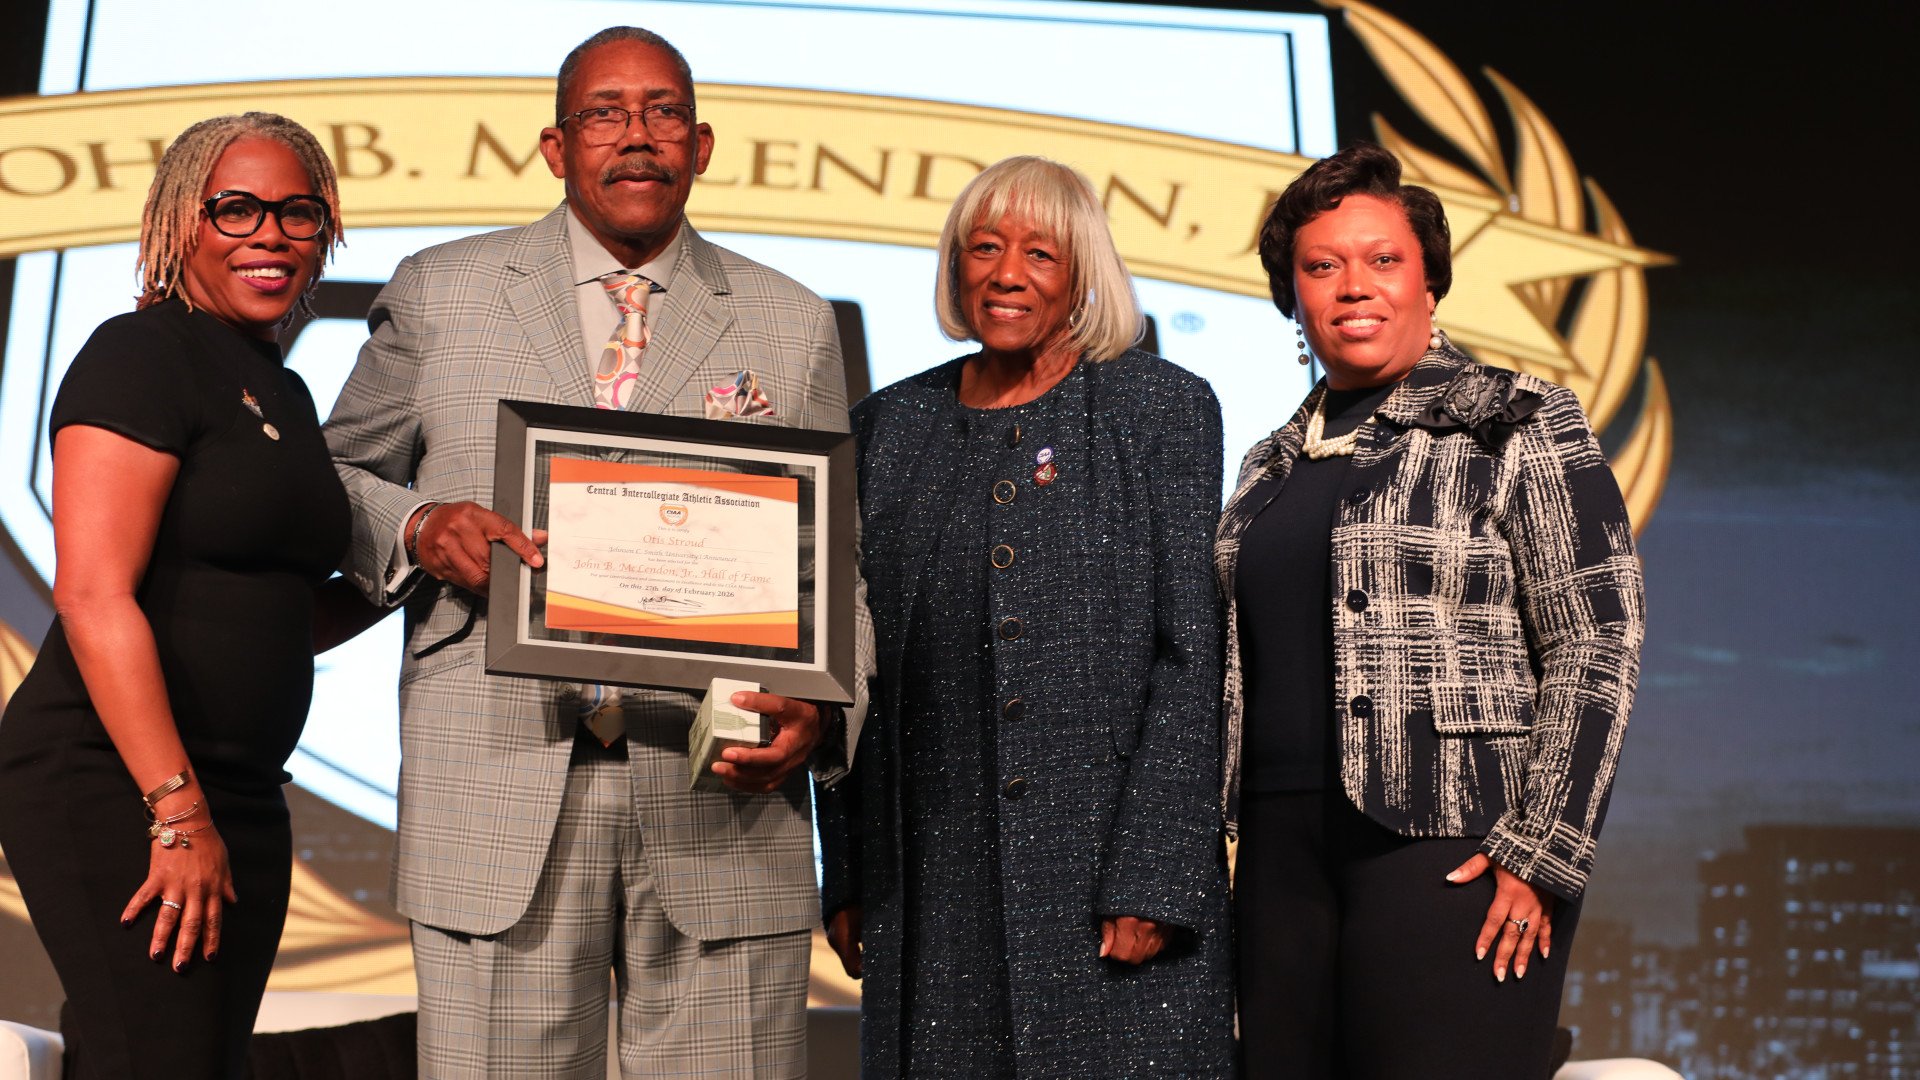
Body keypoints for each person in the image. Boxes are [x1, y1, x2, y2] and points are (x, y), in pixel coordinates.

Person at [322, 26, 872, 1080]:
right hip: (497, 783)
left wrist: (825, 704)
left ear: (702, 145)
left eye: (663, 112)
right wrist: (416, 527)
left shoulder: (789, 321)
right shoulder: (444, 290)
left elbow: (833, 561)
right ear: (555, 144)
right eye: (606, 114)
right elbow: (331, 475)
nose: (636, 138)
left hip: (721, 791)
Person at [1216, 141, 1646, 1079]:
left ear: (1429, 283)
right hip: (1280, 863)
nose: (1353, 285)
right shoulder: (1267, 463)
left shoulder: (1516, 419)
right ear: (1293, 297)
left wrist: (1540, 851)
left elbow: (1596, 640)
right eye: (1322, 267)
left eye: (1383, 260)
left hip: (1453, 851)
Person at [816, 156, 1235, 1078]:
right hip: (926, 887)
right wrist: (846, 873)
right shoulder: (886, 427)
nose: (1007, 273)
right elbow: (846, 658)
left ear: (1082, 275)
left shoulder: (1159, 409)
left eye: (1041, 253)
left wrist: (1157, 873)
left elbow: (1190, 655)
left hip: (1108, 890)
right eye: (985, 248)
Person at [0, 113, 361, 1078]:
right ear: (178, 223)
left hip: (242, 795)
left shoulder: (280, 392)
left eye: (298, 211)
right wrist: (177, 811)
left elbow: (277, 617)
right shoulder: (140, 353)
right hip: (118, 784)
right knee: (149, 1059)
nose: (270, 234)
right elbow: (92, 594)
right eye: (236, 209)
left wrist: (428, 578)